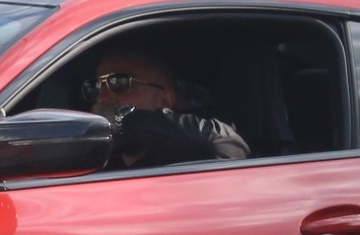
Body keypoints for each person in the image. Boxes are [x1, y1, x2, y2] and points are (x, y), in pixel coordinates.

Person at [81, 46, 247, 168]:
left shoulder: (187, 163)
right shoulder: (93, 167)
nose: (102, 97)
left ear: (165, 99)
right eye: (96, 86)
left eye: (120, 83)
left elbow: (220, 145)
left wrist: (121, 118)